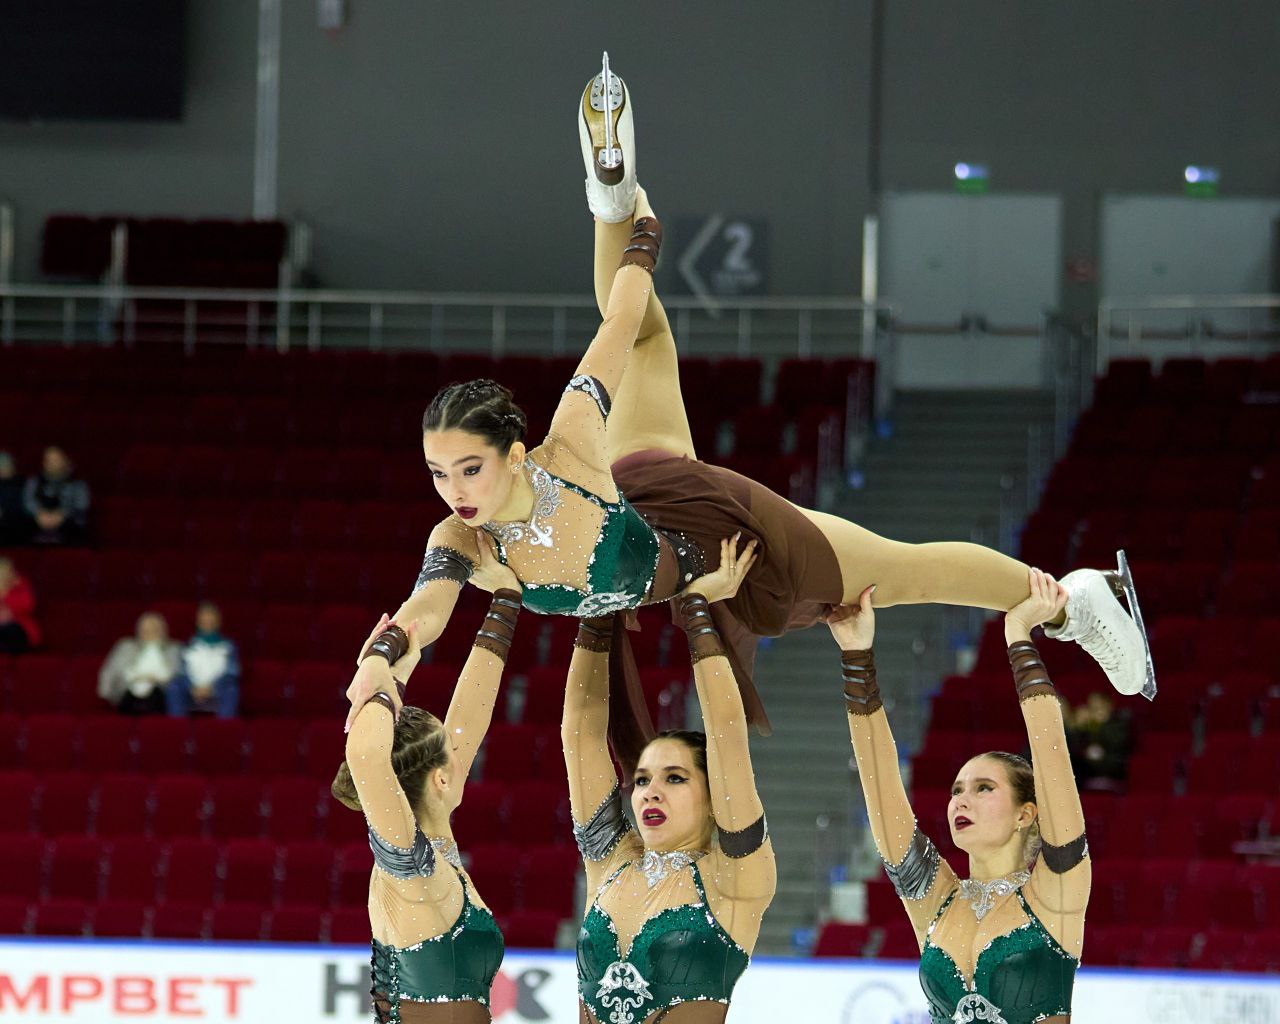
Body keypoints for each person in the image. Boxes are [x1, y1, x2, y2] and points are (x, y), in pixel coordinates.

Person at [345, 58, 1151, 772]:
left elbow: (620, 320)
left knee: (896, 574)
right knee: (660, 340)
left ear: (516, 455)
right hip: (647, 490)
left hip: (710, 528)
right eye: (438, 472)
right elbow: (427, 612)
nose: (454, 490)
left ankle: (1078, 597)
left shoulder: (569, 442)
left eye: (470, 467)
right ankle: (610, 188)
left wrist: (644, 244)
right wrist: (390, 658)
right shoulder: (458, 538)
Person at [837, 568, 1088, 1024]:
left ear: (1026, 814)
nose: (960, 801)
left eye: (983, 788)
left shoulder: (1056, 892)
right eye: (956, 790)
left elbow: (1051, 754)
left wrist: (1019, 639)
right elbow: (879, 785)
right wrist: (856, 656)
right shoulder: (937, 901)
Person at [565, 535, 775, 1024]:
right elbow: (580, 732)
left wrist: (695, 606)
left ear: (712, 796)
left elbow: (726, 732)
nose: (649, 792)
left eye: (675, 778)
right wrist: (601, 604)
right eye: (641, 781)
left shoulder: (734, 877)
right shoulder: (611, 863)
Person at [331, 541, 522, 1023]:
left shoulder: (426, 854)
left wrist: (505, 596)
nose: (464, 755)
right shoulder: (407, 860)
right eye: (453, 758)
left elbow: (470, 718)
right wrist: (388, 681)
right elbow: (365, 755)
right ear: (440, 779)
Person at [166, 602, 242, 719]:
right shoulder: (188, 645)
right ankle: (177, 728)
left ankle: (224, 730)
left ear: (218, 622)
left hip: (218, 688)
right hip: (192, 689)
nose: (208, 623)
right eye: (204, 621)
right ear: (198, 622)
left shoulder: (229, 645)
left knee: (232, 689)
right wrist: (193, 687)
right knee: (174, 686)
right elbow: (182, 671)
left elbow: (232, 673)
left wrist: (212, 688)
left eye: (211, 620)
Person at [98, 612, 181, 715]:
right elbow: (110, 672)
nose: (149, 634)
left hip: (159, 693)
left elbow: (175, 673)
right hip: (128, 693)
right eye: (145, 630)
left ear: (163, 631)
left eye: (154, 630)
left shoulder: (174, 648)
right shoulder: (125, 647)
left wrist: (153, 678)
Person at [23, 446, 90, 545]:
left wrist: (62, 514)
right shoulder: (34, 481)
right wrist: (39, 513)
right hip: (39, 521)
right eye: (49, 460)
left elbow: (82, 505)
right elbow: (28, 501)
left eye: (56, 460)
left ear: (65, 461)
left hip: (69, 524)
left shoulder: (77, 483)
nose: (52, 464)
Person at [0, 558, 41, 654]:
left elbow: (28, 604)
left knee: (10, 630)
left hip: (19, 630)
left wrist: (7, 607)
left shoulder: (20, 585)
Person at [0, 452, 30, 545]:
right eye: (1, 466)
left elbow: (25, 505)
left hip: (16, 524)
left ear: (13, 467)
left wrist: (4, 512)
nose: (3, 469)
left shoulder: (23, 483)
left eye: (6, 466)